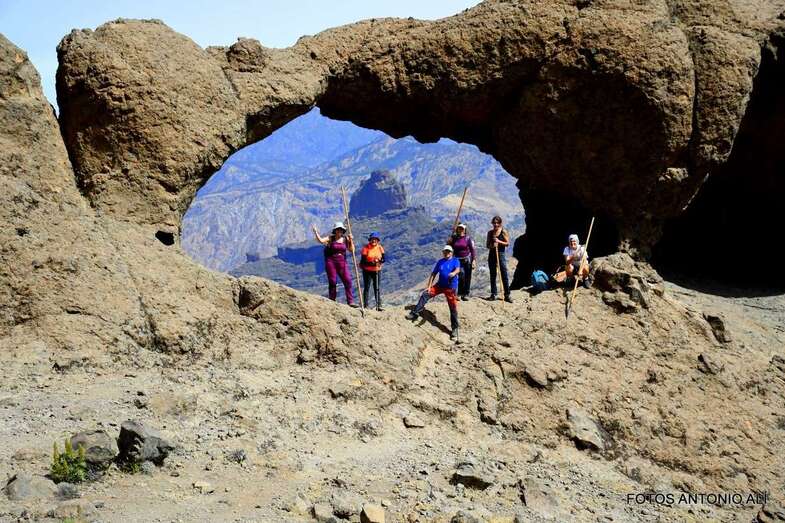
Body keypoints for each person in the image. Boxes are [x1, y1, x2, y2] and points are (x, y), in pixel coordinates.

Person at [406, 245, 462, 341]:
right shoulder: (440, 262)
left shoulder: (455, 260)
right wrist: (429, 286)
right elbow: (433, 274)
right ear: (443, 252)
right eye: (445, 252)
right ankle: (415, 312)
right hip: (440, 285)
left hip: (450, 287)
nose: (447, 253)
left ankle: (454, 329)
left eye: (448, 252)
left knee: (452, 307)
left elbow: (458, 269)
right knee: (425, 294)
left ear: (451, 252)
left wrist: (454, 273)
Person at [312, 222, 356, 306]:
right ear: (335, 231)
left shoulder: (346, 239)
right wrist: (316, 232)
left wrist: (351, 240)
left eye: (341, 230)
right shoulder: (330, 238)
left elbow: (352, 250)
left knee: (348, 280)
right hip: (331, 261)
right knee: (332, 281)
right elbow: (321, 240)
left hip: (342, 262)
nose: (339, 231)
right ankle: (332, 299)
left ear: (343, 231)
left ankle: (350, 301)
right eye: (338, 230)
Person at [486, 215, 513, 303]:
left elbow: (507, 243)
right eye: (494, 223)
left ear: (500, 223)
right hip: (492, 254)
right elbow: (487, 245)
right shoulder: (490, 233)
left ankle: (507, 294)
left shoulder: (503, 231)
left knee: (503, 273)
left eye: (497, 223)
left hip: (500, 254)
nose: (496, 224)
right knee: (493, 274)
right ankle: (493, 294)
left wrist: (498, 241)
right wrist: (492, 245)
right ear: (492, 223)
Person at [448, 223, 477, 301]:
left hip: (467, 260)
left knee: (468, 277)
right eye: (459, 228)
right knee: (461, 275)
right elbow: (449, 247)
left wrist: (473, 260)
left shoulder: (467, 239)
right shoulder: (454, 238)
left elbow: (472, 250)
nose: (460, 230)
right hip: (457, 260)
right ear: (457, 229)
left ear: (464, 230)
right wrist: (449, 242)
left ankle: (465, 294)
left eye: (462, 228)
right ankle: (460, 293)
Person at [360, 231, 385, 311]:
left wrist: (379, 261)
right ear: (370, 240)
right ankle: (365, 305)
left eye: (375, 239)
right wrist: (372, 262)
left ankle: (379, 305)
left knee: (377, 287)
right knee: (367, 287)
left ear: (377, 240)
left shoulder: (380, 248)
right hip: (367, 271)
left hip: (377, 270)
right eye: (372, 239)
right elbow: (363, 261)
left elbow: (384, 259)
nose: (373, 241)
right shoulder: (366, 248)